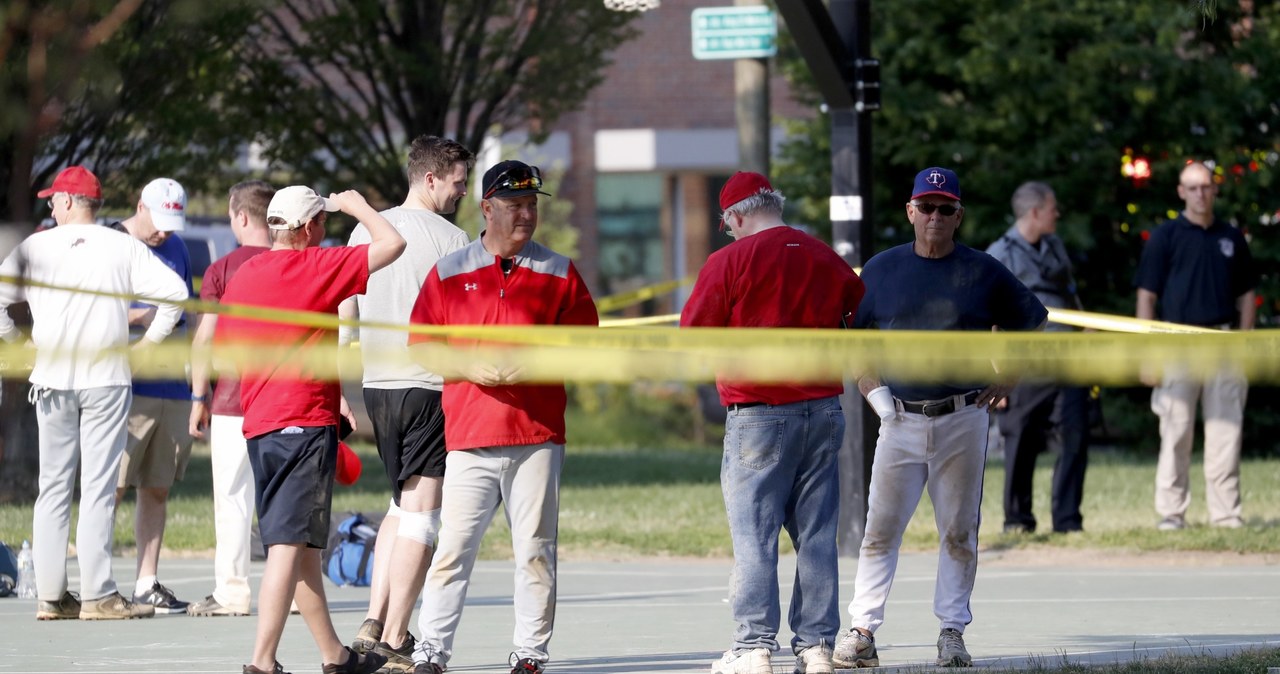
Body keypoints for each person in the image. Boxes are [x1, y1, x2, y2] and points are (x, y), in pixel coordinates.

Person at [832, 167, 1046, 669]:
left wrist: (1009, 376)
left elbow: (1032, 321)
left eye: (944, 208)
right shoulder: (881, 270)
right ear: (909, 211)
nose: (934, 216)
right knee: (880, 529)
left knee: (958, 529)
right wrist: (875, 394)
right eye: (925, 206)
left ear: (958, 216)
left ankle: (952, 630)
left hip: (963, 414)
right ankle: (862, 629)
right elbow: (853, 340)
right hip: (899, 417)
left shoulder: (984, 270)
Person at [407, 160, 598, 674]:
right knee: (452, 552)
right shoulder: (449, 271)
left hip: (536, 436)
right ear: (486, 208)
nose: (527, 214)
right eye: (515, 205)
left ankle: (530, 654)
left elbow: (588, 346)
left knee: (535, 551)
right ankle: (431, 651)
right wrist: (469, 365)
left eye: (533, 204)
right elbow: (421, 344)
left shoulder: (560, 271)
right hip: (469, 435)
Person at [680, 172, 865, 674]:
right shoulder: (823, 255)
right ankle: (816, 647)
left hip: (759, 413)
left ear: (736, 216)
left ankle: (754, 645)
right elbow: (859, 312)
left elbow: (693, 335)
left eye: (727, 225)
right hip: (824, 409)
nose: (729, 232)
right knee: (818, 534)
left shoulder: (729, 261)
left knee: (754, 535)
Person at [218, 185, 405, 674]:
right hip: (302, 423)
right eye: (322, 220)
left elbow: (230, 349)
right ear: (306, 230)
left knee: (299, 547)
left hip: (261, 426)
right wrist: (360, 207)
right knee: (286, 546)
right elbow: (392, 244)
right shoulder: (317, 265)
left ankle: (335, 657)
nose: (326, 228)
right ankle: (261, 663)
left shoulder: (246, 274)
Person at [0, 166, 187, 620]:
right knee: (98, 488)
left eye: (53, 199)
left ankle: (50, 596)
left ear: (66, 202)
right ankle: (98, 593)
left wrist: (19, 347)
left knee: (53, 488)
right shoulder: (121, 244)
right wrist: (147, 345)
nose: (50, 206)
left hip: (51, 379)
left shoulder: (37, 245)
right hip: (106, 378)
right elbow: (177, 293)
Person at [339, 136, 474, 670]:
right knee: (423, 515)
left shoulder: (366, 228)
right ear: (431, 179)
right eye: (459, 182)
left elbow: (345, 310)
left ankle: (374, 620)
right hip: (429, 386)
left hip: (379, 388)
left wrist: (346, 379)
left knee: (399, 503)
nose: (462, 192)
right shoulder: (452, 237)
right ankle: (396, 637)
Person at [1135, 161, 1257, 531]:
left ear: (1214, 190)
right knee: (1176, 430)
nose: (1200, 194)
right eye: (1193, 188)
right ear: (1181, 192)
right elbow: (1146, 297)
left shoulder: (1231, 237)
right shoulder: (1166, 236)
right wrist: (1148, 354)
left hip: (1223, 343)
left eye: (1206, 187)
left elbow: (1248, 294)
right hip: (1176, 344)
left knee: (1226, 433)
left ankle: (1225, 514)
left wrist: (1244, 344)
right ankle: (1172, 512)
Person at [186, 180, 276, 616]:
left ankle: (233, 592)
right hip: (286, 400)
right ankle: (294, 591)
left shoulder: (222, 270)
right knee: (286, 499)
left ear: (241, 217)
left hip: (232, 401)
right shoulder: (294, 262)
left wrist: (197, 396)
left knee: (233, 498)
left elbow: (204, 340)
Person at [110, 177, 196, 613]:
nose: (164, 232)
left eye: (171, 223)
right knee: (114, 486)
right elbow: (94, 309)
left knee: (157, 488)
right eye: (159, 221)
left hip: (172, 388)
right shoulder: (111, 242)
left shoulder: (177, 247)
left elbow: (189, 314)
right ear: (139, 206)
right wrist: (141, 315)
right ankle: (99, 582)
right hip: (125, 387)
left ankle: (147, 581)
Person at [986, 182, 1090, 534]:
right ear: (1034, 213)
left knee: (1075, 436)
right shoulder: (1000, 254)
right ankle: (1017, 520)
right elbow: (989, 319)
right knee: (1020, 440)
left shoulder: (1055, 247)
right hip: (1025, 366)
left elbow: (1071, 298)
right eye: (1052, 208)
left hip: (1067, 360)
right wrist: (997, 374)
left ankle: (1068, 521)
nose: (1056, 214)